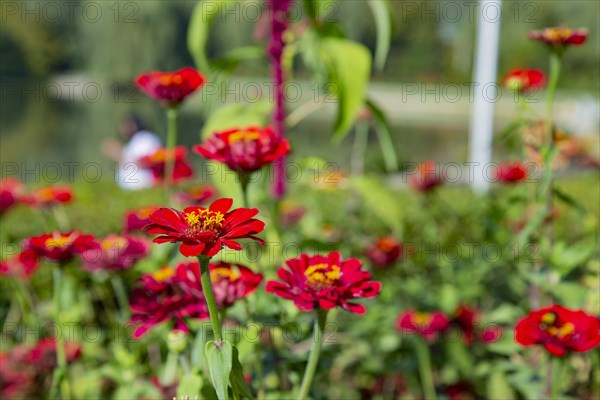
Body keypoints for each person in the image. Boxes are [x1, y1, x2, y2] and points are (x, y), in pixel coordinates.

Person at [102, 116, 162, 190]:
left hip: (143, 187)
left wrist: (120, 156)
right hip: (132, 189)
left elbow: (149, 161)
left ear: (135, 125)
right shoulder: (132, 142)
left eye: (126, 125)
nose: (123, 129)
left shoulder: (145, 138)